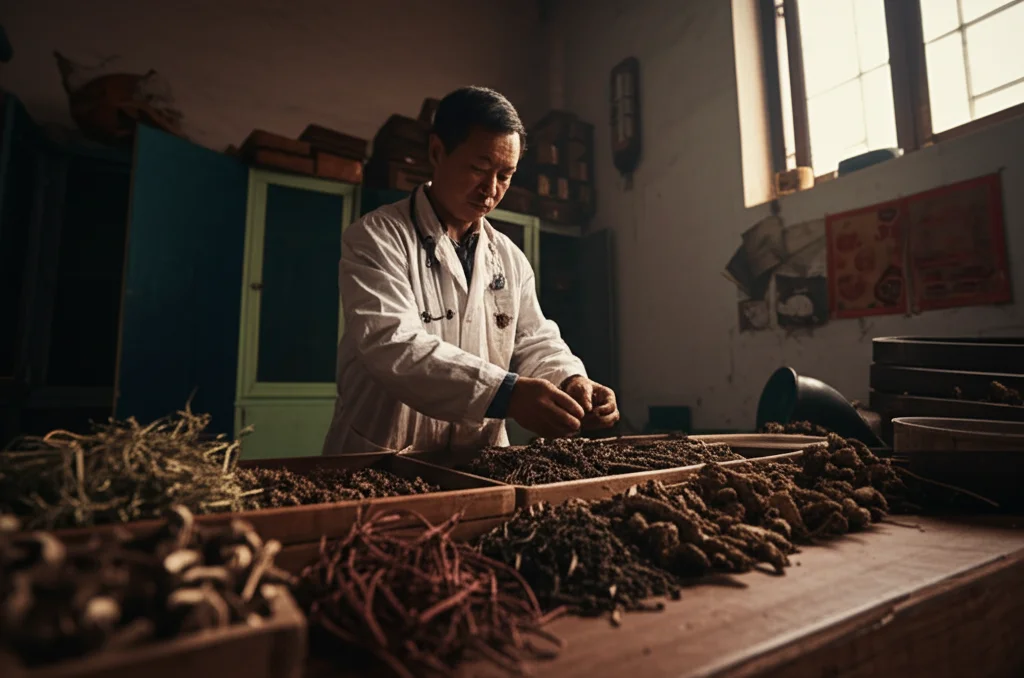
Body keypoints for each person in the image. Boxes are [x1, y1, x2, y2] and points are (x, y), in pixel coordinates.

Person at [322, 86, 619, 456]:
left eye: (505, 176)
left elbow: (534, 339)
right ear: (437, 152)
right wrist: (506, 395)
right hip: (385, 453)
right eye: (479, 169)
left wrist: (570, 379)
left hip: (477, 456)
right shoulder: (376, 237)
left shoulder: (509, 258)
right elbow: (392, 343)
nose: (490, 191)